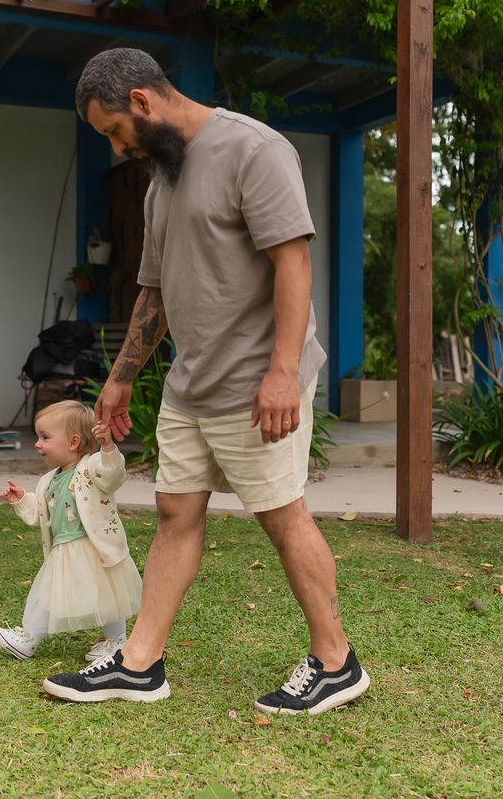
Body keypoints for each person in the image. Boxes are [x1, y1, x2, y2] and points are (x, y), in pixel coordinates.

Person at [42, 48, 370, 715]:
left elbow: (294, 262)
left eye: (113, 129)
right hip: (190, 383)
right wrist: (121, 378)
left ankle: (336, 661)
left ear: (141, 101)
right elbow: (155, 291)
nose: (114, 144)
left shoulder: (255, 149)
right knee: (174, 513)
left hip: (255, 384)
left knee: (282, 516)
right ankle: (139, 664)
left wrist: (282, 374)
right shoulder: (162, 176)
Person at [0, 400, 145, 669]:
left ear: (73, 442)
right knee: (50, 593)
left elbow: (113, 476)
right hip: (63, 550)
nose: (37, 444)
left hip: (93, 546)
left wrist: (108, 447)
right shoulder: (48, 480)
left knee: (108, 595)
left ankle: (116, 641)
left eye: (45, 437)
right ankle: (29, 639)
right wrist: (21, 500)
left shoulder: (92, 466)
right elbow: (38, 513)